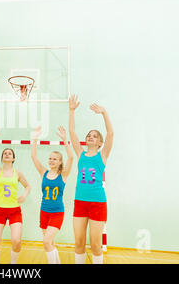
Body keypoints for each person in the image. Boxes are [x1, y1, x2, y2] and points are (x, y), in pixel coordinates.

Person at [68, 94, 113, 264]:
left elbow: (111, 133)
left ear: (100, 142)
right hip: (80, 202)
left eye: (94, 136)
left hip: (97, 203)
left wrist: (104, 113)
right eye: (89, 135)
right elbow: (72, 132)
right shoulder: (80, 154)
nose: (90, 137)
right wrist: (71, 111)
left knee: (95, 244)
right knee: (79, 242)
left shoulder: (103, 155)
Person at [0, 127, 31, 264]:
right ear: (2, 157)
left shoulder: (18, 173)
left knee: (16, 241)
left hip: (14, 210)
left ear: (13, 158)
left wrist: (24, 195)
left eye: (10, 153)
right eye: (5, 153)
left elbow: (28, 186)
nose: (7, 154)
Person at [31, 126, 73, 264]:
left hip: (57, 213)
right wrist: (35, 138)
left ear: (60, 162)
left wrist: (65, 139)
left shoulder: (63, 175)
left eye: (55, 159)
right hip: (44, 212)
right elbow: (33, 156)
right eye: (50, 158)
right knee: (50, 243)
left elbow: (71, 157)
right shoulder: (43, 172)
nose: (51, 161)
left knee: (46, 241)